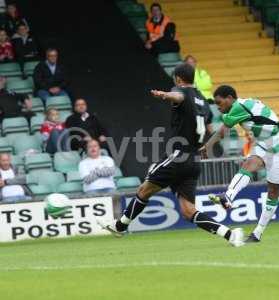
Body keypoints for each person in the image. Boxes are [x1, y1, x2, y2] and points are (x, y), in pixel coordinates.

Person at [97, 63, 245, 247]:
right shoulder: (204, 102)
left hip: (178, 157)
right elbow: (208, 129)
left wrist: (165, 95)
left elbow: (179, 96)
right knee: (188, 211)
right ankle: (230, 235)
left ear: (178, 79)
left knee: (144, 190)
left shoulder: (181, 90)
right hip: (193, 160)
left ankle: (120, 227)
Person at [201, 85, 279, 243]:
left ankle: (258, 232)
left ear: (230, 98)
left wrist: (207, 146)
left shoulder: (238, 107)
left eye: (219, 102)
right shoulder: (244, 104)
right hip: (264, 144)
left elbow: (223, 131)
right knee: (248, 165)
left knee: (273, 192)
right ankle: (228, 197)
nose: (218, 106)